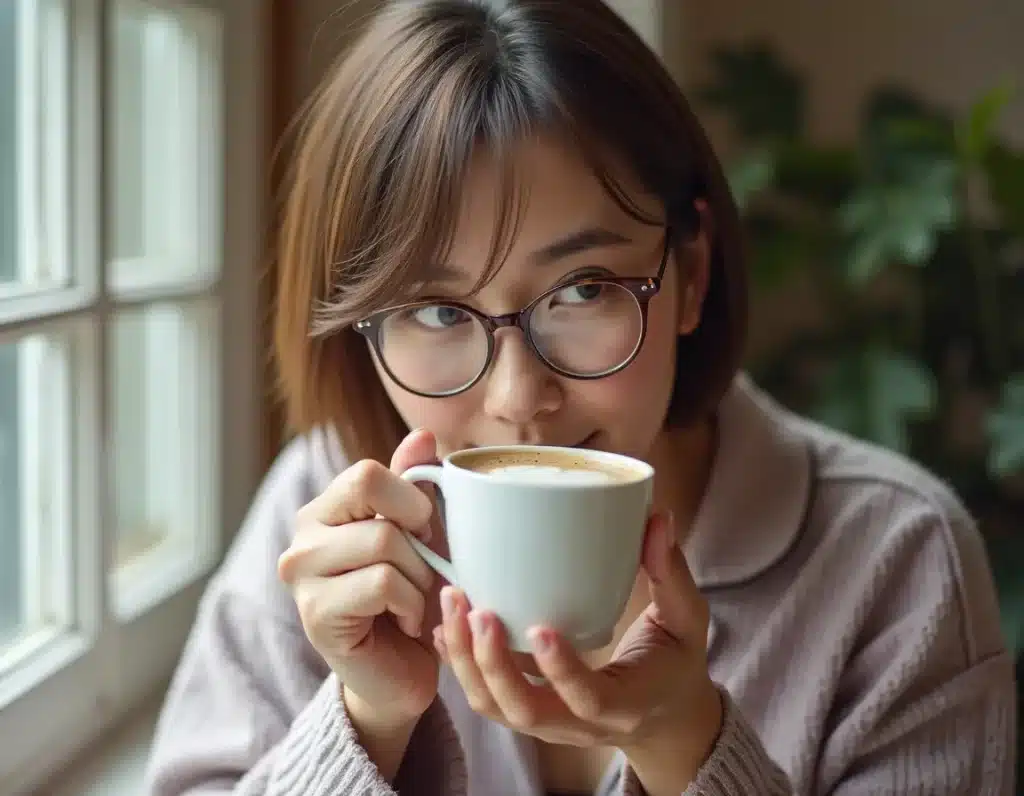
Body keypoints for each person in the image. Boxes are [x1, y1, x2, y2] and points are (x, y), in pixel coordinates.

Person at [143, 1, 1016, 794]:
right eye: (437, 310)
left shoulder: (897, 560)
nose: (521, 399)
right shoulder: (332, 509)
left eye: (584, 289)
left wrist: (686, 744)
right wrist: (366, 722)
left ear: (691, 273)